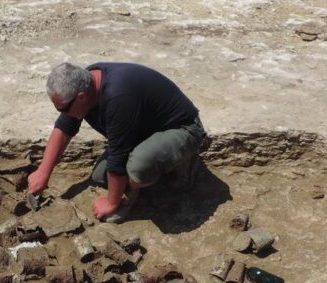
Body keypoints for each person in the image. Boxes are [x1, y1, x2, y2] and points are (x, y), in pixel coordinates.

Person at [27, 62, 206, 223]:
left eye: (63, 109)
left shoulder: (117, 97)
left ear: (81, 97)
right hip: (146, 128)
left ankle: (182, 161)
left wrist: (112, 202)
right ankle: (152, 163)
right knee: (100, 176)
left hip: (184, 128)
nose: (63, 113)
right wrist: (43, 172)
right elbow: (64, 129)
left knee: (137, 169)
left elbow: (118, 158)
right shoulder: (86, 84)